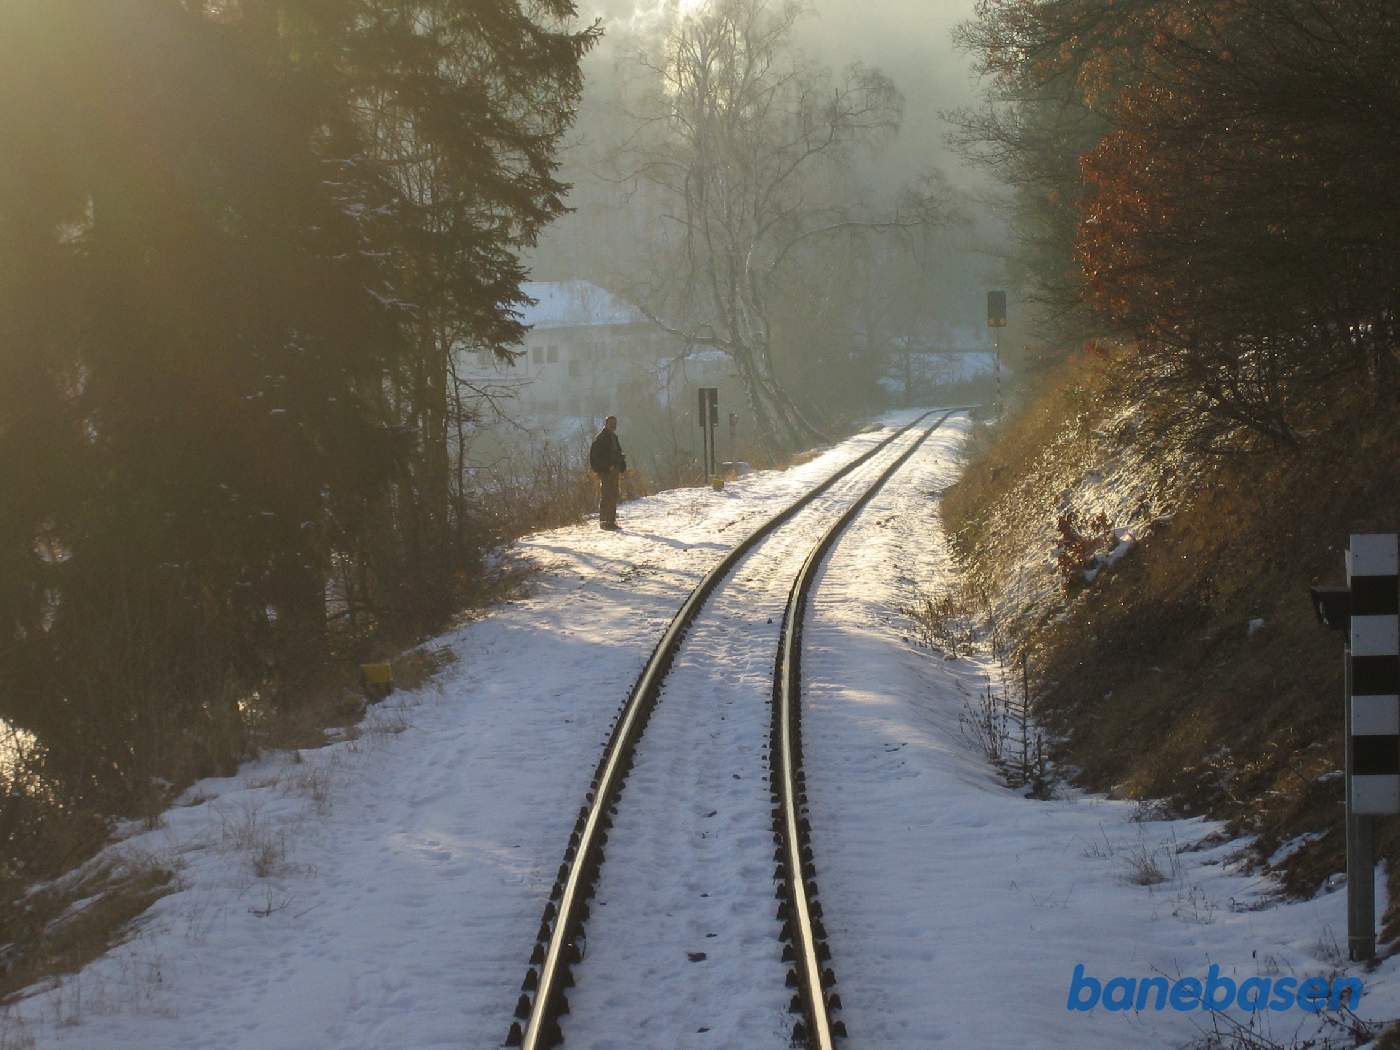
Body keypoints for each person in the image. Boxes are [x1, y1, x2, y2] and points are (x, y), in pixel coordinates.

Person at [589, 415, 626, 530]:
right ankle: (605, 522)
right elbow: (594, 456)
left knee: (613, 495)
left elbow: (618, 453)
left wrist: (621, 464)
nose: (614, 425)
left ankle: (611, 521)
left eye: (615, 423)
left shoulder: (613, 437)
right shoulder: (601, 438)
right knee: (606, 495)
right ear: (606, 424)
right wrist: (605, 467)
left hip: (614, 471)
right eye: (611, 423)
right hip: (606, 472)